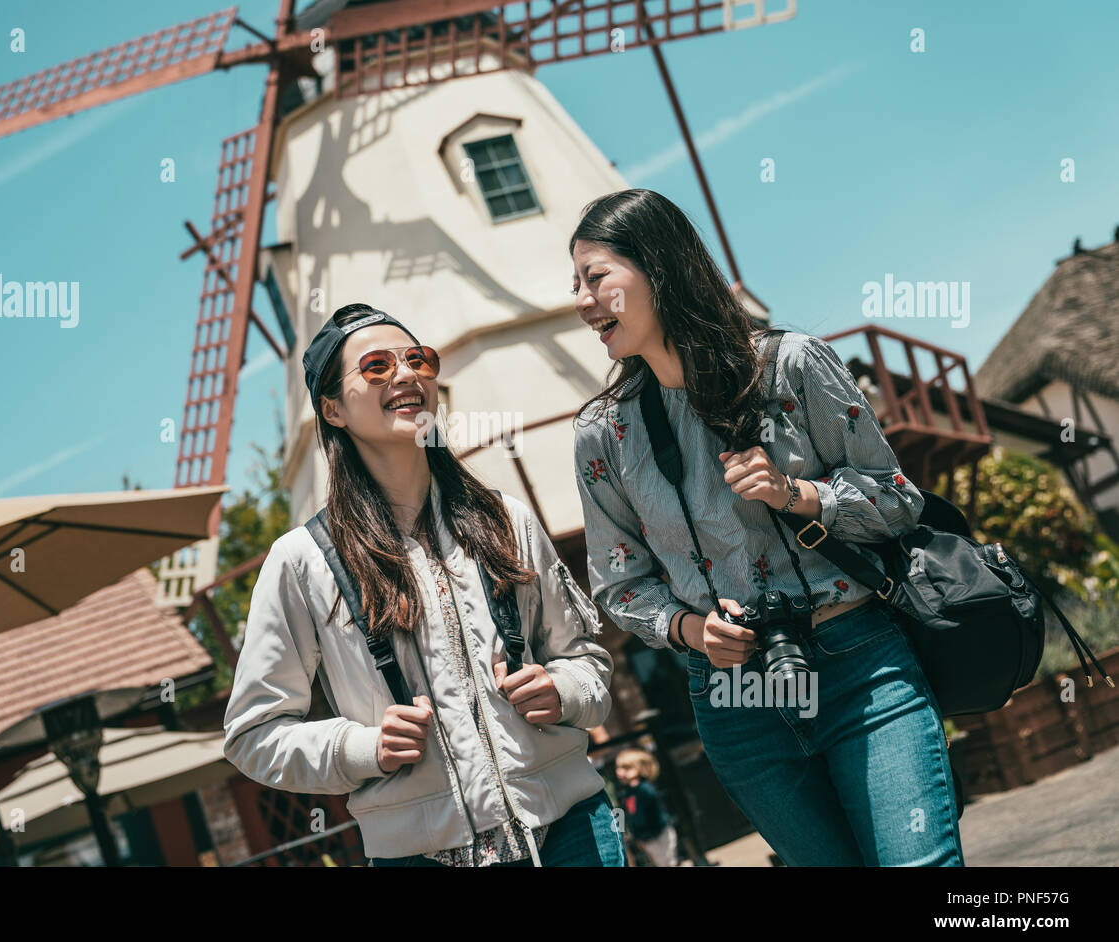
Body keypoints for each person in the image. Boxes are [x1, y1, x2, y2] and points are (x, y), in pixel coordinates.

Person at [568, 189, 964, 866]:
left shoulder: (793, 364)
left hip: (858, 663)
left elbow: (899, 499)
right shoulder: (603, 433)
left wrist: (800, 494)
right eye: (573, 284)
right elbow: (617, 582)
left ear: (658, 267)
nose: (580, 300)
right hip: (733, 697)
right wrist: (691, 631)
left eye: (595, 277)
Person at [223, 303, 625, 867]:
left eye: (418, 359)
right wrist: (361, 748)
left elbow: (586, 662)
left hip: (571, 835)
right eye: (377, 367)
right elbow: (252, 735)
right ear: (332, 409)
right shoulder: (301, 562)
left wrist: (564, 691)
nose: (407, 375)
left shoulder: (506, 519)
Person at [614, 748, 679, 867]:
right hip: (647, 837)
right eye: (619, 768)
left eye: (626, 768)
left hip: (660, 832)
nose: (619, 772)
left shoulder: (644, 789)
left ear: (638, 769)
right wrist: (638, 836)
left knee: (668, 862)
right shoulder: (627, 793)